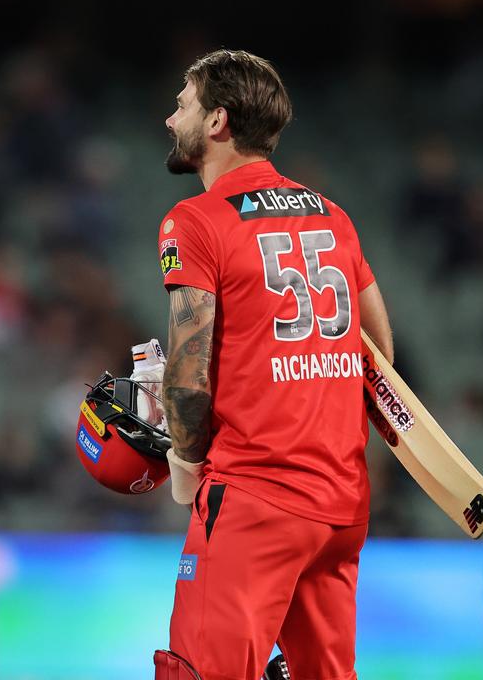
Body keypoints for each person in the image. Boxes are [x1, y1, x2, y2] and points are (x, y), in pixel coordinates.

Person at [152, 50, 393, 680]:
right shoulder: (334, 216)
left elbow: (186, 372)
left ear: (217, 123)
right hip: (341, 506)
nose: (169, 115)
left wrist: (185, 464)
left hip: (257, 496)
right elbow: (380, 354)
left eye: (183, 102)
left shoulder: (194, 221)